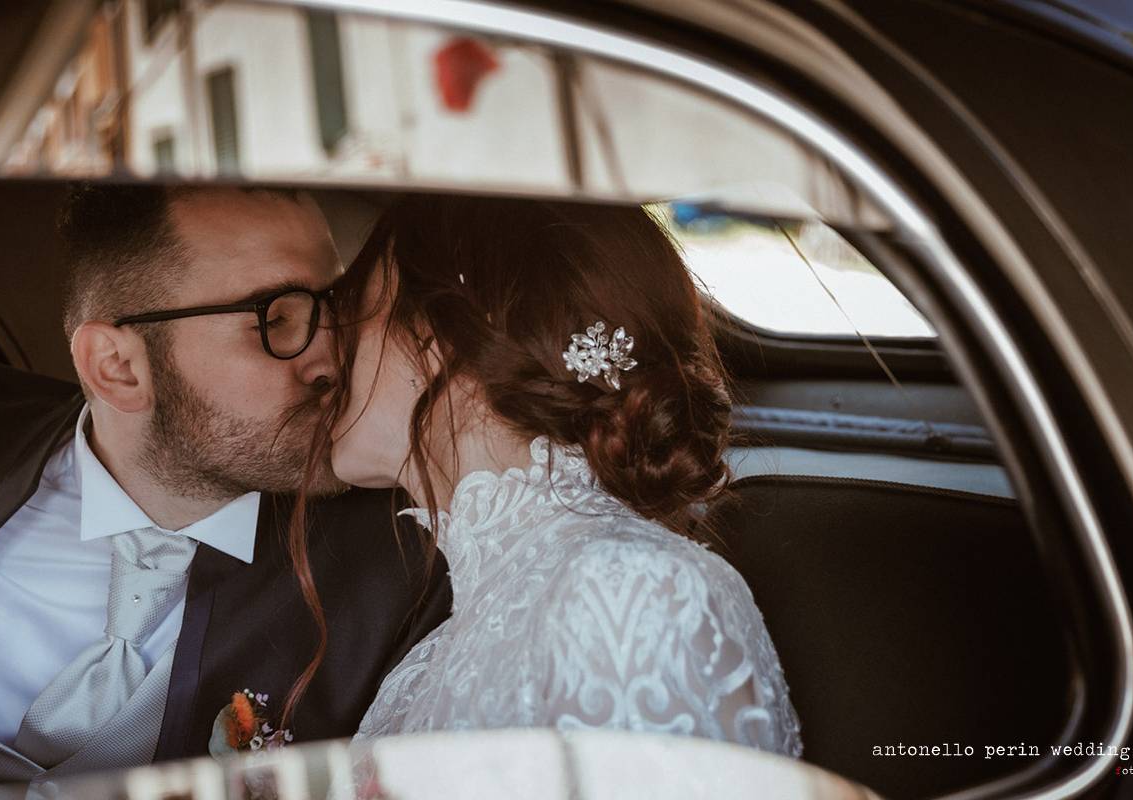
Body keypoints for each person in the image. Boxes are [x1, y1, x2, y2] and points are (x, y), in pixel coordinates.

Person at [0, 184, 450, 787]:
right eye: (276, 318)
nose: (332, 357)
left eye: (337, 309)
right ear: (118, 367)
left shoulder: (401, 554)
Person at [308, 194, 802, 755]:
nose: (327, 347)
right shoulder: (442, 647)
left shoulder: (632, 594)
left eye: (351, 304)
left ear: (437, 337)